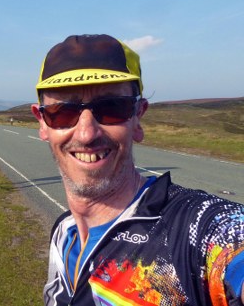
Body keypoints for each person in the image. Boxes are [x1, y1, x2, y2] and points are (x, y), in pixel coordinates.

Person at [30, 34, 244, 306]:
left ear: (138, 118)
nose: (86, 133)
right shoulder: (64, 232)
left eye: (111, 108)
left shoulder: (190, 227)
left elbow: (230, 235)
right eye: (63, 112)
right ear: (42, 122)